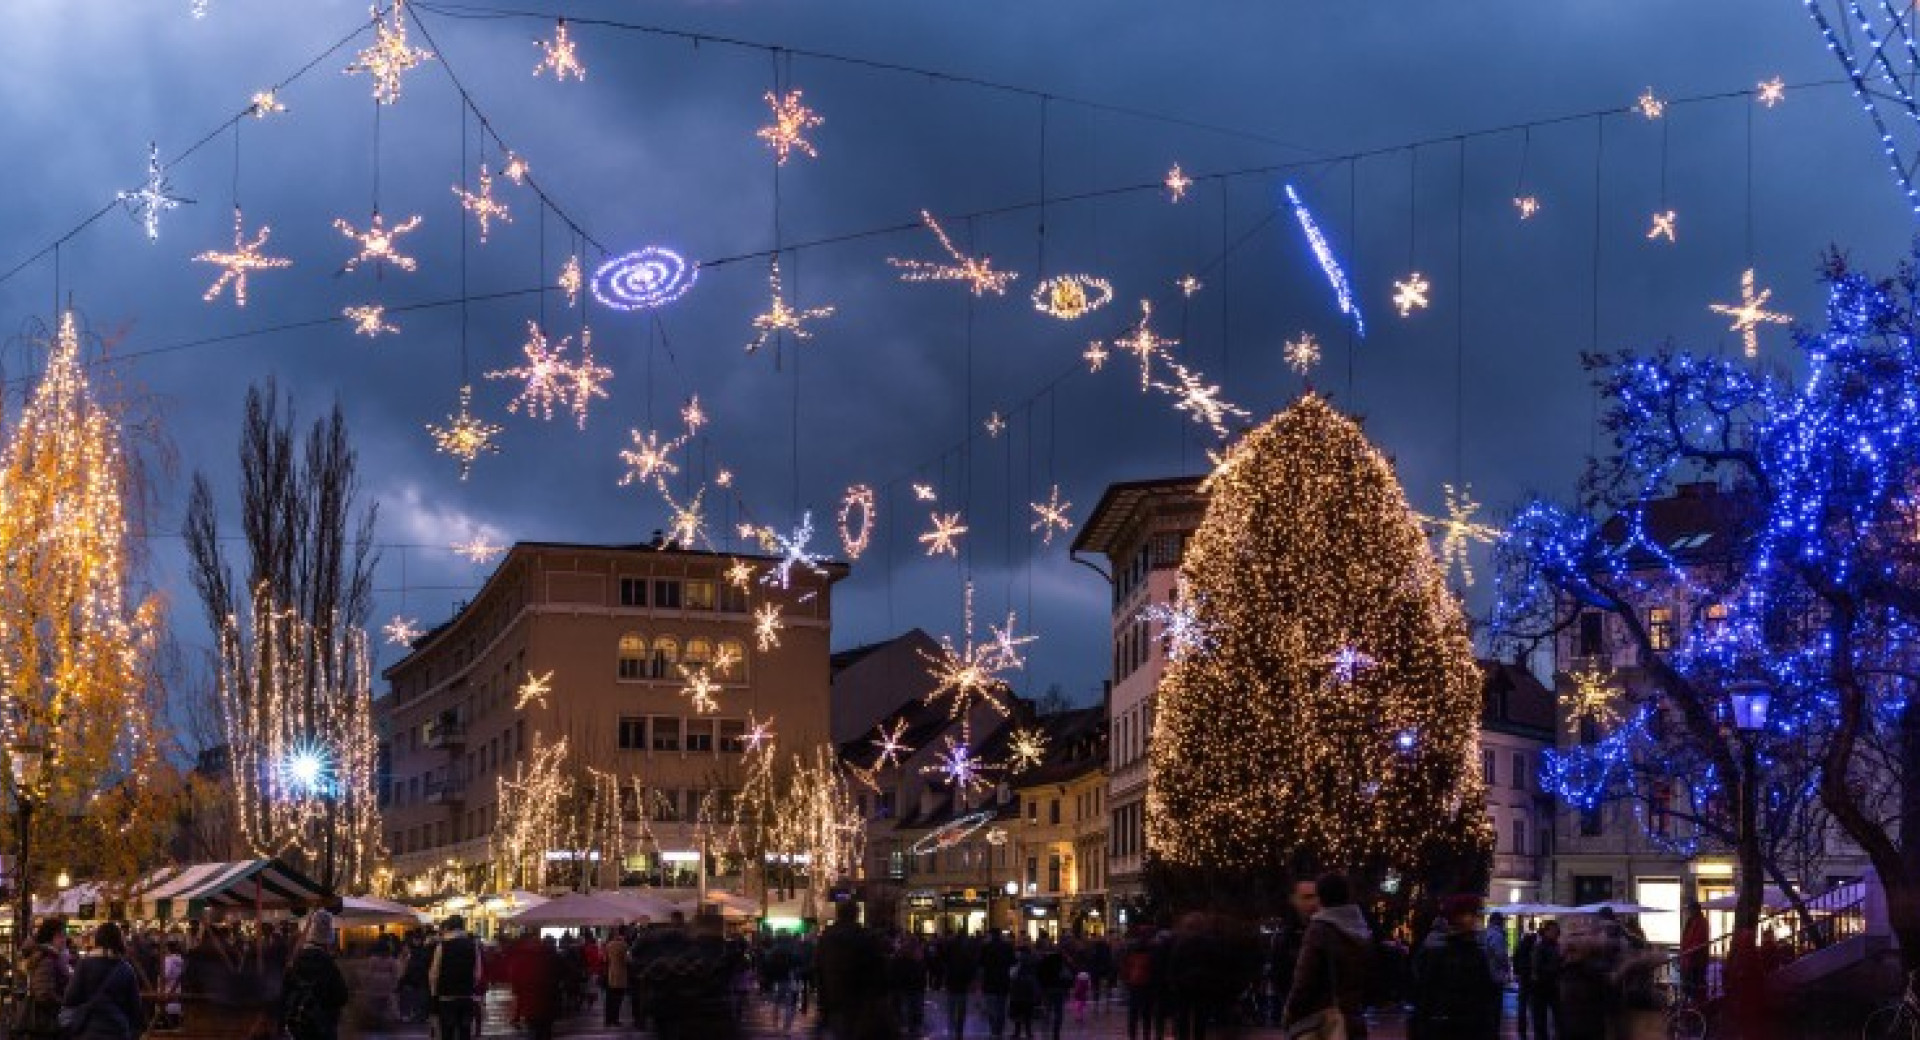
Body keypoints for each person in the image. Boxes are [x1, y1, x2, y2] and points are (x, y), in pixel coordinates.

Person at [1280, 874, 1371, 1040]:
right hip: (1353, 1018)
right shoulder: (1361, 928)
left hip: (1326, 1023)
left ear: (1321, 898)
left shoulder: (1320, 929)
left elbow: (1304, 978)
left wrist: (1290, 1010)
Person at [1411, 894, 1502, 1039]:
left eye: (1474, 914)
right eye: (1467, 914)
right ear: (1455, 918)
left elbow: (1486, 995)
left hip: (1470, 1025)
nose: (1472, 919)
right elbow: (1426, 995)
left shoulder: (1476, 951)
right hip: (1447, 1025)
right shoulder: (1438, 951)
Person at [815, 900, 890, 1040]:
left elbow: (819, 969)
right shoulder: (864, 936)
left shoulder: (826, 938)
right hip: (860, 1000)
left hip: (833, 999)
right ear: (856, 914)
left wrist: (822, 1002)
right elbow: (877, 971)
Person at [63, 922, 146, 1040]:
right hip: (118, 1029)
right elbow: (135, 1006)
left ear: (97, 940)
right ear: (119, 941)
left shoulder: (85, 965)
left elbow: (70, 998)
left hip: (89, 1029)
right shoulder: (126, 968)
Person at [278, 913, 349, 1040]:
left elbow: (284, 992)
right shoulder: (327, 963)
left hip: (297, 1025)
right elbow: (342, 996)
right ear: (327, 942)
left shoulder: (295, 961)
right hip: (322, 1026)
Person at [429, 916, 485, 1040]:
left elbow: (434, 973)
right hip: (466, 995)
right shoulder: (473, 945)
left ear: (449, 927)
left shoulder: (442, 946)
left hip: (446, 995)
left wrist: (434, 993)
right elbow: (478, 972)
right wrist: (471, 986)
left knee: (447, 1031)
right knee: (465, 1031)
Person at [18, 918, 72, 1039]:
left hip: (47, 1021)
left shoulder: (53, 957)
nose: (64, 940)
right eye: (60, 936)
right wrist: (64, 1003)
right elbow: (44, 993)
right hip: (46, 1022)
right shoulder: (47, 959)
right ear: (50, 937)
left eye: (64, 935)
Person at [889, 932, 929, 1038]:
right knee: (914, 1010)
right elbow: (922, 972)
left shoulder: (900, 956)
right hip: (912, 988)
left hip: (907, 988)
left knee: (908, 1011)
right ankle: (914, 1029)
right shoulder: (917, 957)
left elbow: (895, 972)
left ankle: (909, 1029)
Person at [942, 927, 978, 1040]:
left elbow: (945, 960)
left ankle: (951, 1029)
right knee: (961, 1009)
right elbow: (971, 964)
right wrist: (971, 979)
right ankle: (959, 1031)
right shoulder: (967, 948)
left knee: (951, 1007)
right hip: (962, 982)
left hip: (952, 981)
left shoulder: (950, 946)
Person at [1119, 928, 1156, 1040]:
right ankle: (1146, 1036)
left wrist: (1125, 979)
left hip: (1133, 983)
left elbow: (1125, 965)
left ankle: (1132, 1036)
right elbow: (1154, 968)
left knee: (1133, 1013)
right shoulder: (1152, 948)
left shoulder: (1130, 948)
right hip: (1147, 983)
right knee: (1146, 1014)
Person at [1528, 921, 1562, 1040]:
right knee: (1540, 1020)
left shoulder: (1556, 945)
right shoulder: (1540, 947)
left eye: (1556, 930)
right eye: (1553, 930)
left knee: (1557, 1017)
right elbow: (1537, 967)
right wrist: (1555, 967)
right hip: (1541, 987)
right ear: (1546, 931)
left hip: (1552, 986)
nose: (1556, 933)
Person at [978, 928, 1015, 1040]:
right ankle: (999, 1030)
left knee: (991, 1008)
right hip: (1003, 981)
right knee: (1001, 1008)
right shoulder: (1007, 947)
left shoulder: (986, 947)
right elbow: (1013, 962)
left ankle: (994, 1030)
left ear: (991, 935)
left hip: (989, 982)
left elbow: (981, 965)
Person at [1512, 923, 1539, 1040]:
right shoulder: (1534, 948)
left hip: (1523, 976)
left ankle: (1521, 1028)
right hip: (1531, 977)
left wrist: (1517, 972)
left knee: (1523, 1003)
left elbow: (1515, 958)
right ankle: (1535, 1026)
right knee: (1533, 1004)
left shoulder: (1520, 946)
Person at [1678, 902, 1709, 1002]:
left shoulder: (1701, 922)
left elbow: (1698, 940)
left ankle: (1697, 1005)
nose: (1688, 912)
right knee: (1689, 984)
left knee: (1696, 984)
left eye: (1690, 910)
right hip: (1688, 959)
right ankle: (1690, 1004)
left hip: (1695, 960)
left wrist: (1687, 952)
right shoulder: (1691, 921)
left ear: (1695, 910)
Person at [604, 926, 632, 1027]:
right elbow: (627, 960)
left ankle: (608, 1020)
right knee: (618, 999)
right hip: (621, 975)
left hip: (611, 974)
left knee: (609, 998)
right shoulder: (624, 945)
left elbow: (605, 959)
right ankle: (615, 1019)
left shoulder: (608, 945)